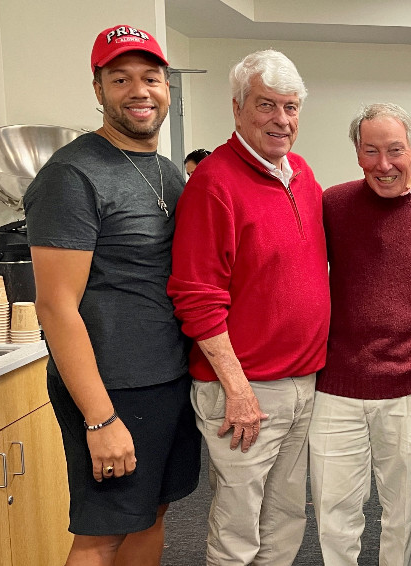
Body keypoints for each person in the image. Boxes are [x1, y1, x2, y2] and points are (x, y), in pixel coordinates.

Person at [24, 24, 200, 565]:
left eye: (151, 77)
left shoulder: (166, 170)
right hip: (111, 388)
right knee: (102, 535)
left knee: (152, 513)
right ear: (98, 89)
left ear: (167, 86)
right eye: (120, 79)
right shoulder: (72, 175)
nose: (139, 91)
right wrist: (100, 420)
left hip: (166, 378)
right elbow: (55, 306)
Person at [167, 49, 330, 565]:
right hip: (246, 390)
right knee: (238, 529)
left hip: (302, 383)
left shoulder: (300, 172)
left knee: (285, 520)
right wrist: (237, 390)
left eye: (291, 107)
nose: (281, 120)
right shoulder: (213, 184)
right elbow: (197, 298)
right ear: (237, 109)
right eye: (266, 106)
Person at [310, 102, 411, 566]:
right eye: (371, 151)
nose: (384, 164)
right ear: (357, 153)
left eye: (395, 150)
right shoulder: (333, 204)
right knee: (334, 508)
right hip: (337, 382)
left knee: (402, 511)